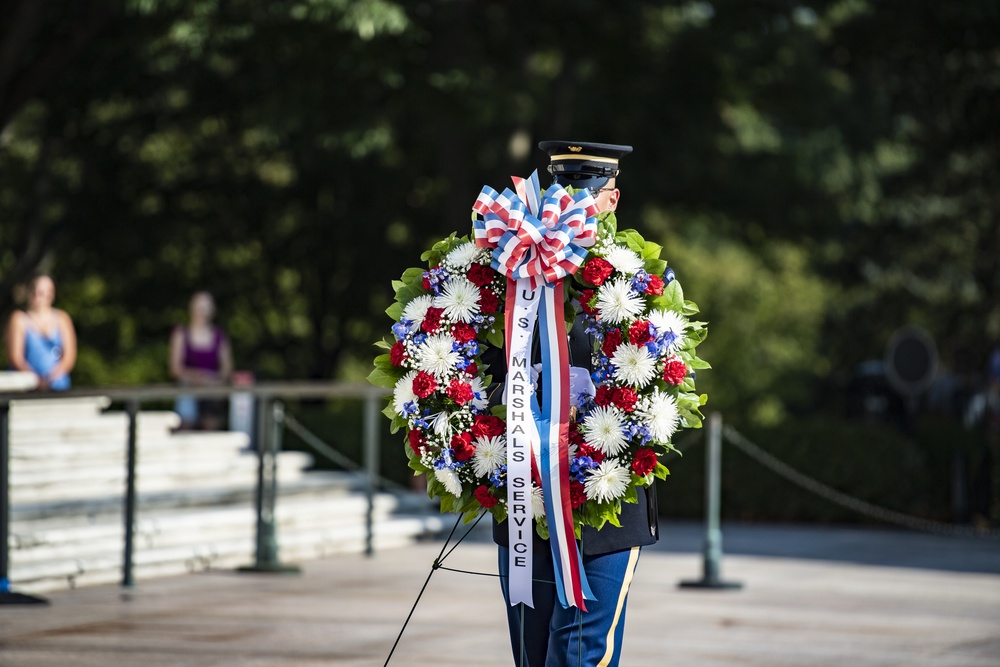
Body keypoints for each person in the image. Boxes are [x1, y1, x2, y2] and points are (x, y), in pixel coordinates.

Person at [491, 141, 657, 667]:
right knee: (531, 656)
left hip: (606, 498)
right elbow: (480, 374)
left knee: (577, 655)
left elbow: (656, 387)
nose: (576, 207)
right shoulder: (511, 273)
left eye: (590, 196)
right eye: (565, 194)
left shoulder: (635, 282)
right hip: (525, 495)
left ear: (613, 200)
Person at [169, 291, 232, 430]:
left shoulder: (219, 336)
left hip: (212, 390)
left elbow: (226, 370)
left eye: (205, 308)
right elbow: (175, 368)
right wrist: (198, 377)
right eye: (198, 308)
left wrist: (213, 381)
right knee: (186, 412)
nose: (201, 312)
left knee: (211, 421)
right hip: (188, 388)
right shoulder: (181, 334)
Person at [5, 275, 77, 391]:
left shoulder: (62, 318)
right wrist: (36, 380)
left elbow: (69, 357)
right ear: (30, 292)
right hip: (26, 387)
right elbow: (15, 357)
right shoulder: (19, 319)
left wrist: (52, 377)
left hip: (58, 386)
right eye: (39, 292)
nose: (43, 297)